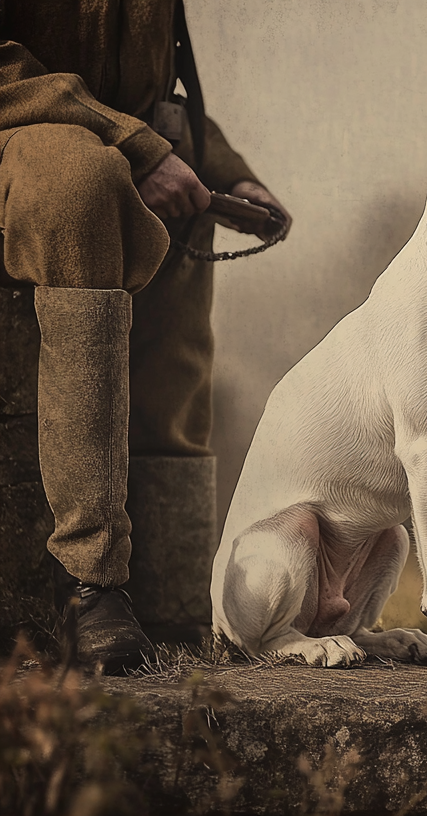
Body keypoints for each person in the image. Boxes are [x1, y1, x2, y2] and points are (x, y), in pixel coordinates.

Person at [0, 0, 290, 672]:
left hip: (98, 125)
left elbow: (152, 85)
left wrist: (217, 163)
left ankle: (174, 585)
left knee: (173, 203)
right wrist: (137, 146)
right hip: (21, 123)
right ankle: (92, 582)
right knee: (83, 186)